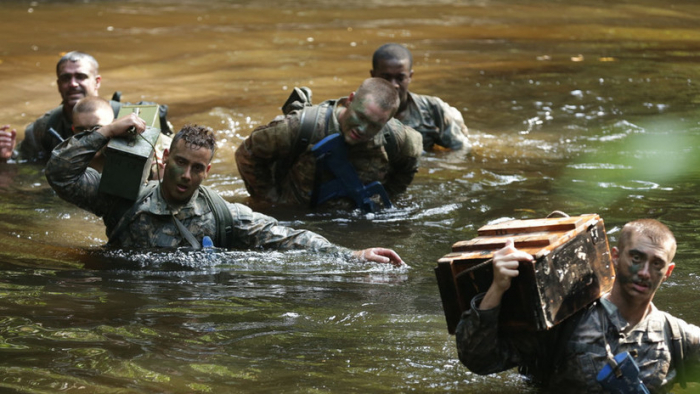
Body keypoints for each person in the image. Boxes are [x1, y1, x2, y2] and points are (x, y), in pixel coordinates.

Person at [45, 117, 404, 267]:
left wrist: (352, 253)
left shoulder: (221, 214)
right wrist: (107, 131)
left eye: (197, 168)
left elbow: (285, 237)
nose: (186, 175)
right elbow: (60, 174)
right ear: (165, 158)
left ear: (208, 171)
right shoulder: (123, 197)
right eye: (180, 163)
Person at [455, 219, 700, 393]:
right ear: (615, 256)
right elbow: (479, 360)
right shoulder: (565, 320)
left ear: (668, 271)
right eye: (636, 258)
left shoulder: (676, 337)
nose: (645, 272)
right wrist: (497, 287)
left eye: (657, 264)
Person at [235, 77, 422, 209]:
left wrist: (388, 196)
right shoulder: (300, 127)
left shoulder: (398, 139)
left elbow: (408, 165)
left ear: (387, 121)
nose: (362, 129)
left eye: (374, 125)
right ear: (350, 100)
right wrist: (271, 201)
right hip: (301, 215)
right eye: (360, 117)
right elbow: (247, 154)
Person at [2, 51, 170, 164]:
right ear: (59, 84)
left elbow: (171, 158)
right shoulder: (44, 128)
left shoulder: (131, 118)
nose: (73, 84)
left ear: (97, 81)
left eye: (81, 77)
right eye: (66, 78)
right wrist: (7, 157)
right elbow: (24, 168)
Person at [370, 43, 470, 152]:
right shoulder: (358, 111)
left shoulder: (433, 109)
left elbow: (461, 150)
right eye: (386, 77)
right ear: (373, 75)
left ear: (410, 76)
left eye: (400, 78)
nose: (394, 85)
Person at [72, 96, 171, 177]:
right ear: (73, 129)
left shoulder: (133, 156)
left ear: (114, 125)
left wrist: (157, 175)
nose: (90, 135)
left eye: (97, 128)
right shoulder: (69, 163)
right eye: (81, 130)